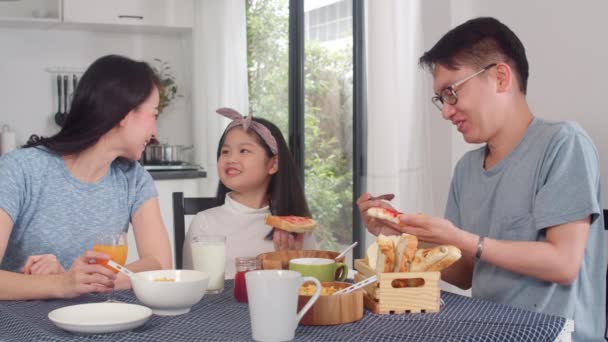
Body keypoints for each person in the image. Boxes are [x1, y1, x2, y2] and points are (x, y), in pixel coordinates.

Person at [357, 17, 605, 341]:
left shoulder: (564, 144)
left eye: (452, 92)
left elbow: (563, 263)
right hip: (487, 332)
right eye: (440, 99)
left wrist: (462, 239)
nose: (446, 111)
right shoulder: (466, 170)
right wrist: (398, 237)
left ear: (500, 77)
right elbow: (462, 274)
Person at [0, 55, 172, 300]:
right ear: (125, 114)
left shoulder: (133, 178)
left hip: (98, 317)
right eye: (153, 114)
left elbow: (159, 264)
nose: (155, 132)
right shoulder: (20, 170)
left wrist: (85, 280)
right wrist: (61, 284)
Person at [183, 108, 316, 278]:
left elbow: (314, 289)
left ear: (273, 164)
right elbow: (191, 288)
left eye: (244, 150)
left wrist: (293, 259)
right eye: (225, 151)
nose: (231, 159)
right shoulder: (204, 223)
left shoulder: (297, 227)